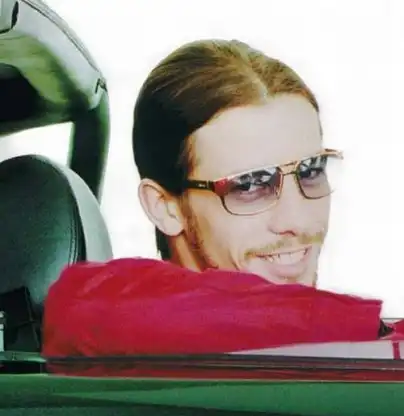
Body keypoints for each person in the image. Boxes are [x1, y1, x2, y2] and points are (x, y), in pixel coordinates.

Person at [42, 39, 404, 366]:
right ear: (164, 206)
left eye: (311, 170)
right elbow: (92, 311)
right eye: (250, 184)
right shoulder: (114, 329)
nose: (298, 220)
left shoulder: (286, 355)